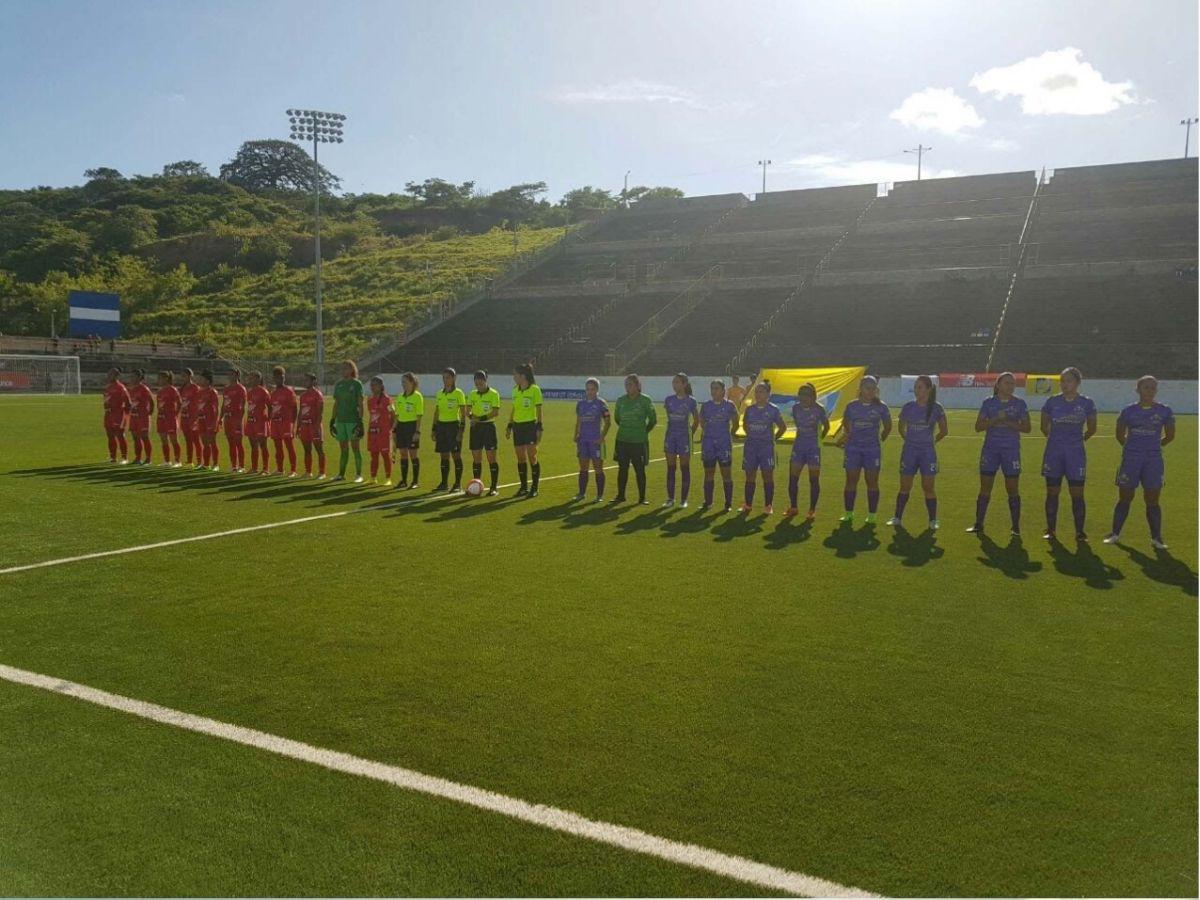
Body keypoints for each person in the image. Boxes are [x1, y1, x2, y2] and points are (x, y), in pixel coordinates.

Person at [1103, 375, 1175, 549]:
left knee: (1152, 499)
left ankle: (1156, 538)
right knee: (1125, 497)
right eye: (1146, 387)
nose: (1149, 391)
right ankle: (1115, 534)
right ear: (1138, 389)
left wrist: (1153, 448)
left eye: (1153, 388)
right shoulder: (1128, 411)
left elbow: (1170, 436)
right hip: (1131, 460)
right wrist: (1132, 449)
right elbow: (1119, 435)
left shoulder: (1164, 411)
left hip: (1153, 461)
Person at [966, 372, 1029, 535]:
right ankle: (978, 524)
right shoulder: (988, 403)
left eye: (1012, 383)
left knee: (1012, 488)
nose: (1010, 386)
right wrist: (994, 420)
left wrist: (1007, 421)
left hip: (1011, 450)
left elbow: (1027, 428)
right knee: (985, 487)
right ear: (998, 385)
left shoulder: (1019, 404)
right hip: (991, 450)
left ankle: (1015, 527)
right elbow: (978, 427)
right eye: (1007, 383)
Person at [1040, 367, 1097, 542]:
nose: (1065, 384)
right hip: (1054, 453)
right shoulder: (1052, 402)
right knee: (1052, 492)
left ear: (1077, 383)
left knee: (1077, 493)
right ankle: (1051, 530)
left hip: (1075, 454)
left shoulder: (1087, 403)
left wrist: (1077, 441)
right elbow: (1044, 427)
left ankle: (1080, 532)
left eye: (1069, 381)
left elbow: (1092, 429)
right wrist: (1056, 441)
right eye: (1062, 381)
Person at [886, 374, 947, 530]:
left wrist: (931, 442)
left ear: (928, 389)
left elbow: (944, 431)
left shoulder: (937, 408)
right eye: (915, 387)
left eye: (919, 387)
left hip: (927, 453)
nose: (916, 390)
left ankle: (933, 520)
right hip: (909, 452)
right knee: (904, 486)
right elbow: (901, 427)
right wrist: (909, 440)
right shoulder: (908, 407)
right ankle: (897, 517)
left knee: (928, 487)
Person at [834, 375, 892, 526]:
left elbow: (888, 426)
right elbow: (846, 424)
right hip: (853, 449)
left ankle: (872, 515)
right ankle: (848, 513)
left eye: (873, 388)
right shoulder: (851, 406)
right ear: (860, 389)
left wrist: (880, 439)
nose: (871, 391)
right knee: (851, 480)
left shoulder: (881, 407)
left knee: (872, 481)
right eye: (868, 388)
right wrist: (847, 436)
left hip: (872, 450)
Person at [740, 381, 787, 514]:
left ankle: (768, 505)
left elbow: (782, 427)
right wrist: (752, 436)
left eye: (761, 391)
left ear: (768, 394)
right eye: (756, 391)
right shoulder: (750, 409)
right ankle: (748, 504)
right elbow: (745, 425)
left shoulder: (773, 409)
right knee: (750, 475)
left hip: (766, 449)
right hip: (751, 448)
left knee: (767, 476)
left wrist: (772, 439)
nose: (758, 394)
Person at [786, 382, 830, 519]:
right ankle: (793, 507)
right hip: (798, 447)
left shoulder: (819, 409)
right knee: (793, 478)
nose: (803, 398)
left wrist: (818, 439)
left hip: (813, 448)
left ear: (813, 396)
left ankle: (812, 510)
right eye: (801, 395)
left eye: (807, 395)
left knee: (814, 480)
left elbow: (826, 426)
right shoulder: (795, 408)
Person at [611, 373, 656, 504]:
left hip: (639, 441)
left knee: (639, 470)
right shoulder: (620, 401)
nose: (627, 387)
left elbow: (653, 420)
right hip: (622, 440)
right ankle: (620, 495)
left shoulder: (645, 400)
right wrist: (627, 428)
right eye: (626, 385)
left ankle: (642, 498)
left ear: (637, 385)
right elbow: (617, 419)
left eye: (630, 384)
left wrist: (643, 431)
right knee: (622, 468)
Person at [698, 378, 739, 512]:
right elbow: (701, 420)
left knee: (726, 473)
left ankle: (728, 503)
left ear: (723, 391)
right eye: (712, 388)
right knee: (708, 472)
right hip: (708, 444)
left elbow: (736, 422)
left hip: (724, 444)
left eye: (716, 388)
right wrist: (708, 431)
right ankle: (708, 502)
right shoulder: (706, 406)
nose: (713, 391)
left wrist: (729, 434)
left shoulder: (730, 405)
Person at [662, 373, 699, 508]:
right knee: (671, 468)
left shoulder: (691, 401)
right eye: (674, 382)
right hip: (670, 436)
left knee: (685, 468)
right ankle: (670, 499)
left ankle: (683, 500)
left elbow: (696, 420)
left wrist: (690, 434)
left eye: (677, 382)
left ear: (684, 384)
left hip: (684, 438)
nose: (675, 385)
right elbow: (669, 418)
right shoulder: (668, 400)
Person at [506, 363, 544, 497]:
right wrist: (509, 425)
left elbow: (539, 409)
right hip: (518, 427)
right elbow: (514, 409)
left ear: (522, 376)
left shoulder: (535, 389)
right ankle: (523, 487)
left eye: (515, 374)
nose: (513, 377)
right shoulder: (515, 391)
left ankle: (534, 487)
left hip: (530, 426)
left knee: (532, 456)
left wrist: (539, 427)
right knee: (520, 457)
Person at [573, 377, 611, 502]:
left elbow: (608, 422)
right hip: (583, 440)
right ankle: (581, 493)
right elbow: (578, 421)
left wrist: (601, 437)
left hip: (596, 441)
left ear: (597, 390)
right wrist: (576, 434)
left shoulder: (601, 403)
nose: (590, 392)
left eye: (592, 389)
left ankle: (599, 495)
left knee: (598, 467)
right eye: (588, 389)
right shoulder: (580, 404)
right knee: (583, 467)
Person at [466, 370, 501, 495]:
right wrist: (472, 417)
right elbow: (467, 411)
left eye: (481, 382)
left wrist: (480, 419)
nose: (478, 384)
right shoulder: (472, 394)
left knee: (491, 458)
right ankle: (476, 486)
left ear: (486, 381)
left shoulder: (494, 394)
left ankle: (493, 487)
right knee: (476, 458)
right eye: (476, 382)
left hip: (488, 427)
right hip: (475, 428)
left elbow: (495, 412)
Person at [432, 368, 467, 492]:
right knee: (444, 455)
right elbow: (437, 412)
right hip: (441, 427)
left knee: (456, 455)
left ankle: (457, 484)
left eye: (448, 377)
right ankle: (444, 483)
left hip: (453, 427)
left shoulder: (459, 393)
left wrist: (461, 431)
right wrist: (434, 429)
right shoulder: (439, 394)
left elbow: (463, 414)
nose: (445, 380)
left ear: (454, 378)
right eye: (444, 377)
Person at [330, 361, 365, 483]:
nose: (343, 370)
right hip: (341, 420)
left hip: (353, 420)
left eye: (346, 368)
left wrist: (360, 421)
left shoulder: (357, 384)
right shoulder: (339, 384)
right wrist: (332, 419)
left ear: (352, 370)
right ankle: (341, 474)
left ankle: (359, 475)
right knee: (343, 448)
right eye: (342, 368)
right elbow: (336, 403)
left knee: (355, 447)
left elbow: (361, 403)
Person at [393, 372, 424, 490]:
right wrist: (394, 429)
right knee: (403, 454)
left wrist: (417, 431)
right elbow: (397, 415)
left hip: (412, 427)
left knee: (413, 454)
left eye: (405, 382)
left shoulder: (417, 396)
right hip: (401, 427)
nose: (403, 384)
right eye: (402, 382)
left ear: (412, 382)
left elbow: (419, 416)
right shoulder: (400, 397)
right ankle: (404, 481)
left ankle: (415, 481)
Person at [268, 365, 299, 477]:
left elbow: (295, 408)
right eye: (277, 378)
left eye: (282, 377)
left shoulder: (289, 391)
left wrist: (293, 424)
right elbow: (271, 408)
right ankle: (280, 469)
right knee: (278, 446)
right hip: (275, 423)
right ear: (274, 378)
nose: (280, 380)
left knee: (289, 446)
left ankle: (293, 470)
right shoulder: (273, 393)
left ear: (284, 377)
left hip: (286, 423)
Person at [366, 376, 395, 485]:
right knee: (373, 455)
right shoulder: (370, 400)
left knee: (385, 455)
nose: (372, 387)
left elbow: (393, 414)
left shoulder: (387, 400)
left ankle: (388, 478)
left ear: (381, 386)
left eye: (374, 385)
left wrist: (390, 429)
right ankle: (373, 477)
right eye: (371, 385)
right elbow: (371, 415)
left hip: (384, 433)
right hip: (373, 432)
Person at [298, 373, 326, 479]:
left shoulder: (317, 394)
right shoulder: (303, 396)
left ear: (313, 381)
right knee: (307, 449)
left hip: (314, 426)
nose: (305, 382)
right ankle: (308, 471)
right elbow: (301, 411)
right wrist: (298, 425)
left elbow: (320, 412)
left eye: (307, 380)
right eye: (304, 380)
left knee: (319, 449)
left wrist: (317, 426)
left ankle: (322, 472)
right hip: (304, 426)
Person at [220, 368, 248, 473]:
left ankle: (242, 466)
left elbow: (243, 406)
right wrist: (220, 418)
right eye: (229, 374)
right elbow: (223, 404)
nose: (230, 376)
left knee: (238, 443)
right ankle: (233, 466)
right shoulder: (226, 389)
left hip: (236, 419)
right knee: (230, 443)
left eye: (232, 374)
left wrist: (239, 420)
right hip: (227, 419)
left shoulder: (241, 389)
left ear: (237, 375)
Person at [245, 371, 271, 476]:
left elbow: (270, 406)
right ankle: (254, 468)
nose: (252, 380)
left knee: (263, 445)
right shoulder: (249, 392)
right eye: (251, 378)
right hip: (251, 422)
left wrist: (268, 419)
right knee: (253, 445)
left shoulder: (264, 391)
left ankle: (266, 469)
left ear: (259, 379)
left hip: (261, 422)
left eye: (255, 378)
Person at [102, 367, 131, 464]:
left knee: (120, 435)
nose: (109, 375)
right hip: (108, 414)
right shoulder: (107, 387)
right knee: (110, 435)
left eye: (112, 374)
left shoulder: (120, 387)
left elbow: (128, 402)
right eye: (109, 373)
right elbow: (106, 400)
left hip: (118, 414)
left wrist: (125, 415)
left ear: (117, 376)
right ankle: (113, 457)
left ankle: (124, 458)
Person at [194, 370, 221, 471]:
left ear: (208, 381)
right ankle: (206, 464)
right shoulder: (199, 392)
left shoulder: (212, 392)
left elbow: (216, 409)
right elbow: (198, 407)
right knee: (205, 442)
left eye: (202, 379)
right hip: (201, 420)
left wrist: (214, 422)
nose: (200, 380)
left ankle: (216, 464)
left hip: (210, 421)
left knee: (212, 442)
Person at [128, 368, 155, 466]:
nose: (131, 378)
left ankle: (148, 459)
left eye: (134, 376)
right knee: (135, 438)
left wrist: (149, 413)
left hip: (142, 417)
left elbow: (151, 401)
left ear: (139, 377)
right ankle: (138, 458)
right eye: (131, 376)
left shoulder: (144, 388)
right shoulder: (132, 389)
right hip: (133, 417)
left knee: (144, 437)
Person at [155, 370, 182, 467]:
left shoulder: (172, 390)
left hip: (170, 419)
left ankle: (178, 461)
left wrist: (175, 414)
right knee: (163, 440)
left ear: (166, 379)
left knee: (173, 440)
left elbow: (179, 403)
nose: (158, 380)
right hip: (161, 418)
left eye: (160, 378)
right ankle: (167, 461)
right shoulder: (160, 391)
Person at [177, 368, 200, 467]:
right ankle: (190, 461)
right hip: (184, 417)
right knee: (188, 440)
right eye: (182, 376)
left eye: (184, 376)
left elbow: (199, 402)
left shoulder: (195, 388)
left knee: (196, 440)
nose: (182, 378)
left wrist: (196, 417)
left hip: (193, 418)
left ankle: (200, 461)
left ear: (190, 376)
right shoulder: (181, 388)